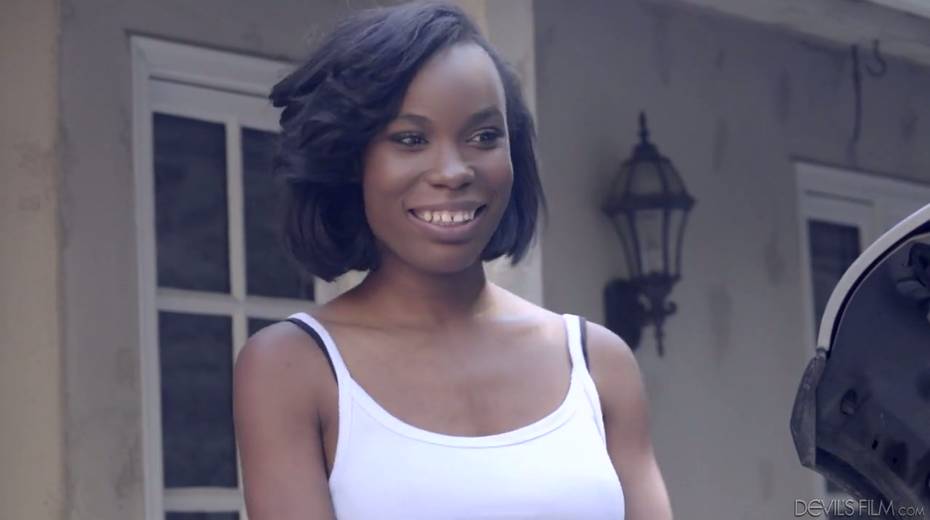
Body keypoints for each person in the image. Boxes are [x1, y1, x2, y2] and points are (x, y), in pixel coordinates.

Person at [233, 2, 672, 519]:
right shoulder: (292, 367)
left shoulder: (597, 363)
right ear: (353, 160)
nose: (453, 171)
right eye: (411, 139)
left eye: (484, 136)